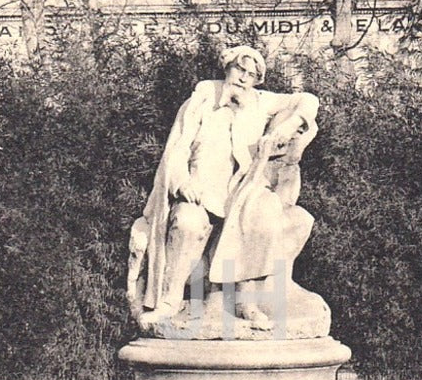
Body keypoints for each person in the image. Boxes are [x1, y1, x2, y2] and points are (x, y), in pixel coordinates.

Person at [129, 46, 319, 332]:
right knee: (188, 223)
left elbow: (309, 100)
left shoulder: (260, 102)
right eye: (239, 69)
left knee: (262, 213)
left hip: (241, 192)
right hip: (201, 192)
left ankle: (245, 301)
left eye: (251, 75)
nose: (243, 78)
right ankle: (169, 301)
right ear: (227, 68)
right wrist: (182, 182)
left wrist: (291, 122)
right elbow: (177, 150)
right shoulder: (201, 101)